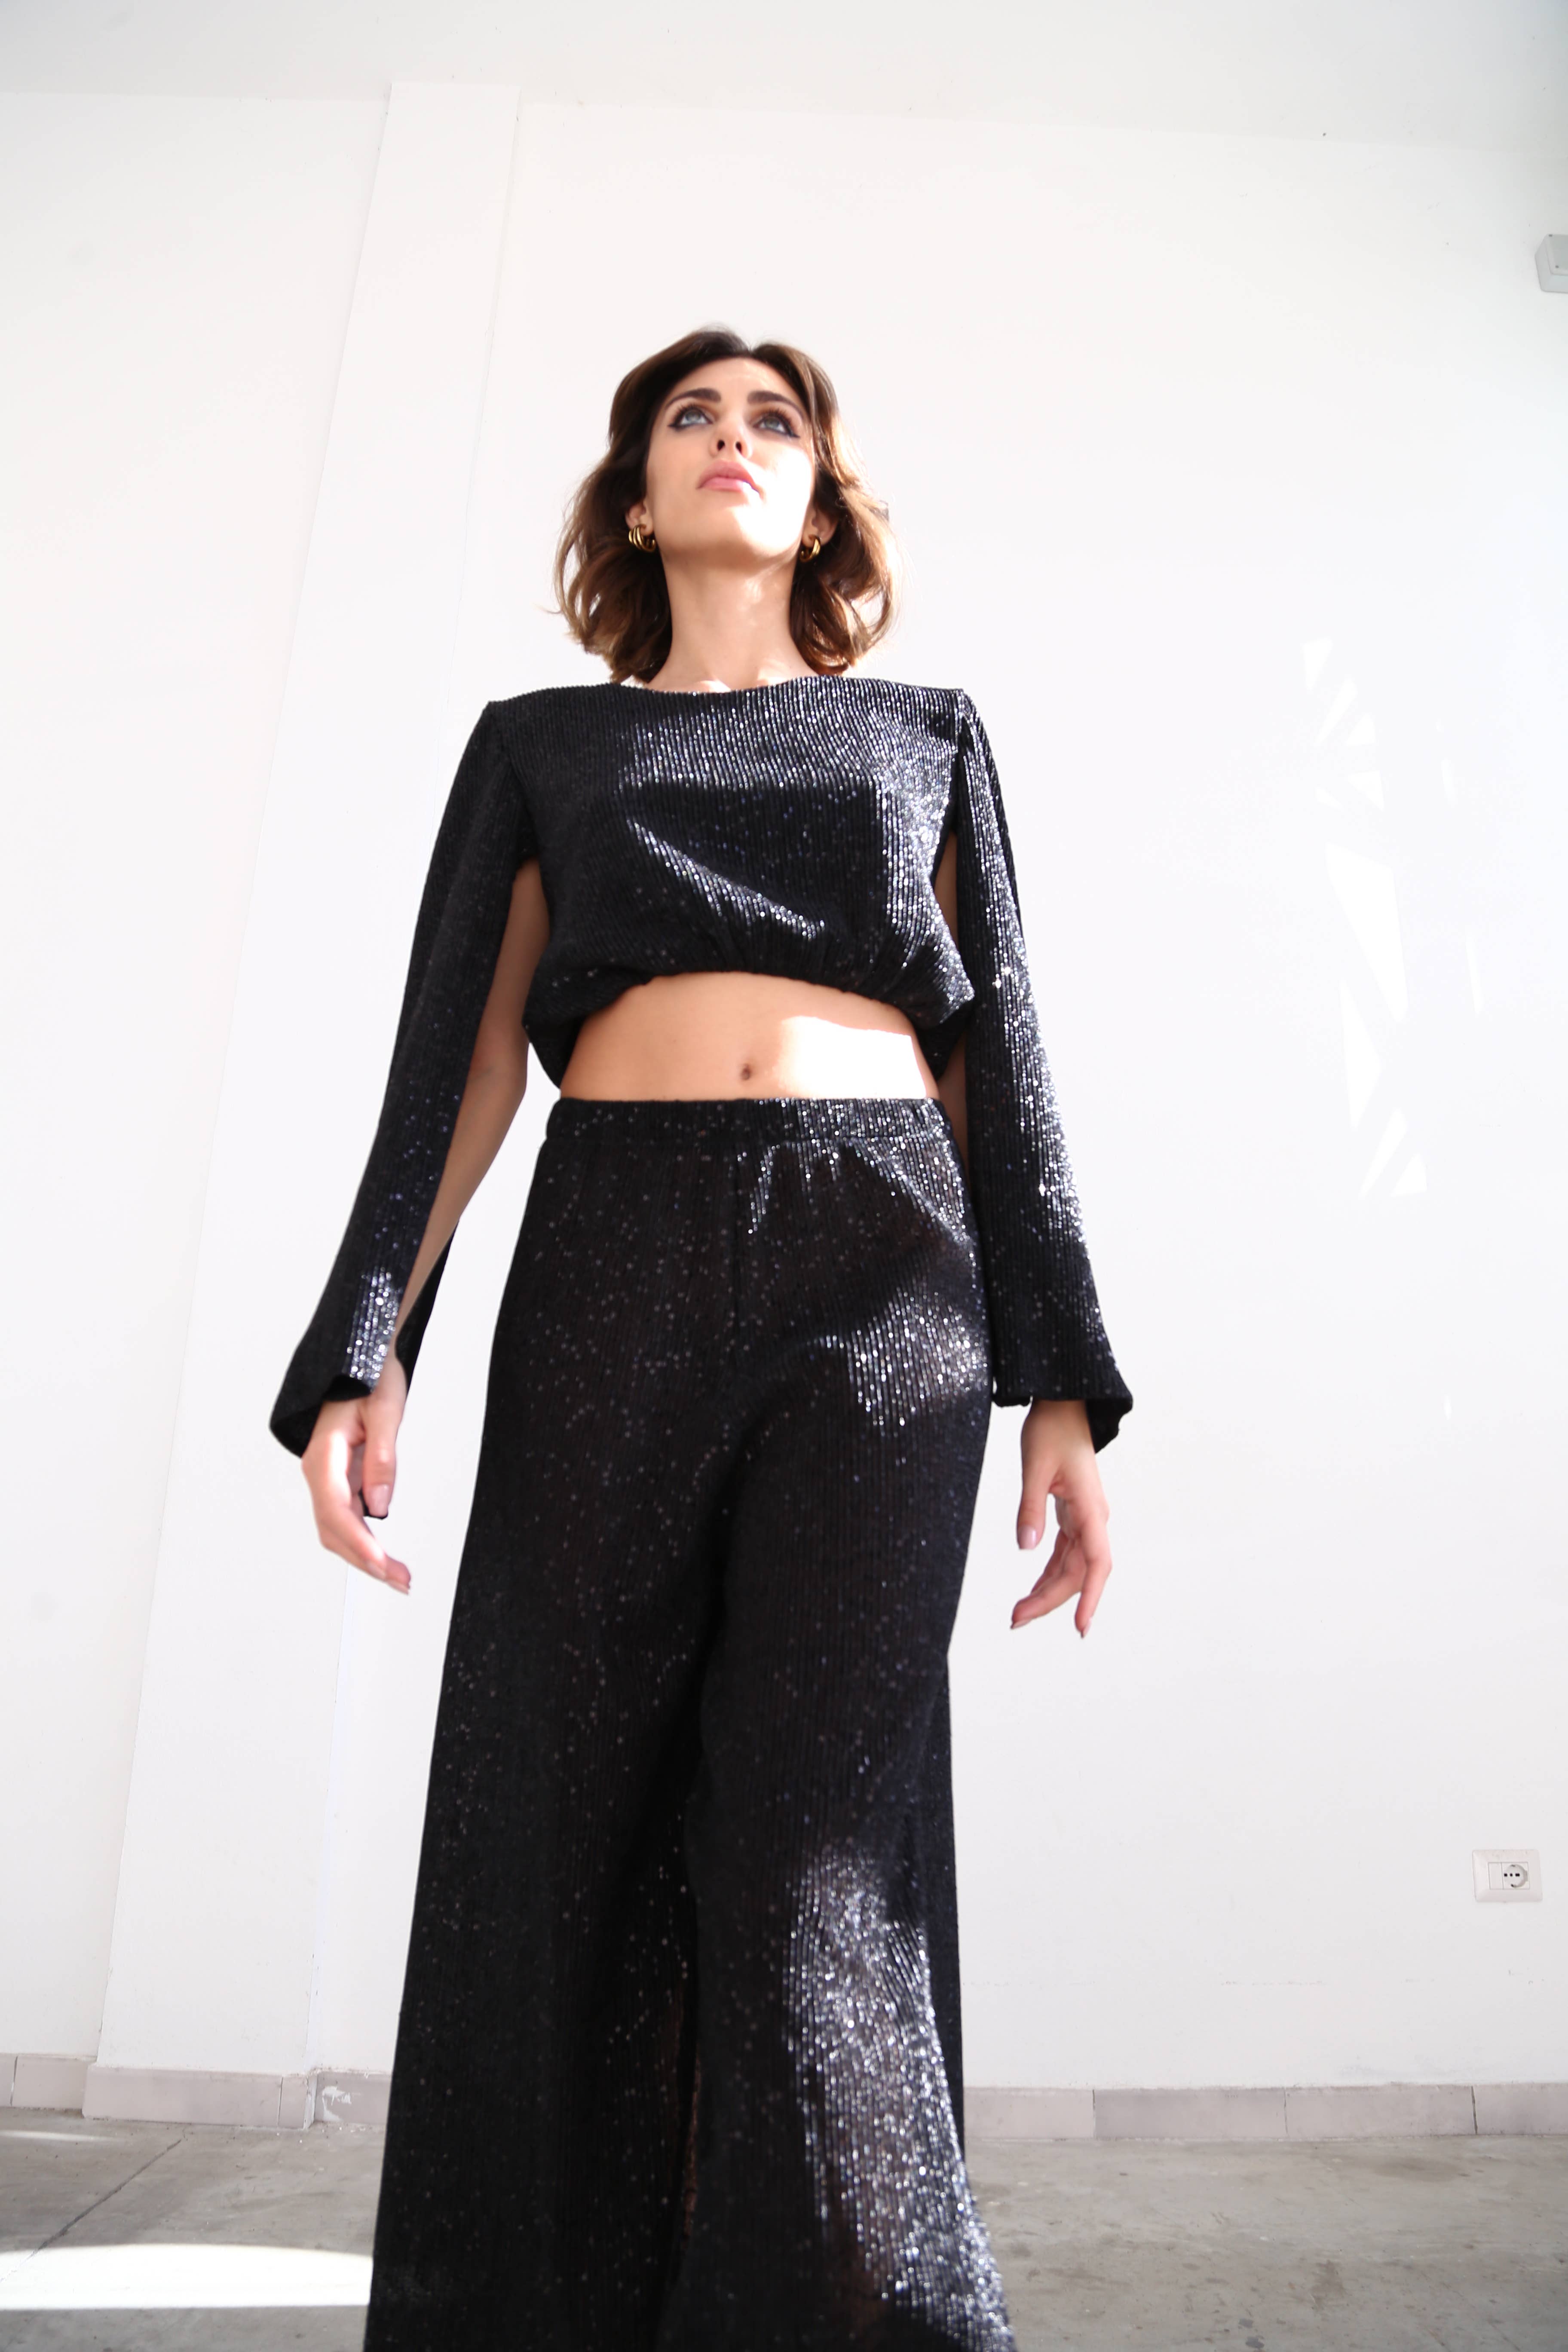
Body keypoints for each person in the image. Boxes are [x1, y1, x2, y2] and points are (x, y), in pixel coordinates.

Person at [271, 326, 1131, 2352]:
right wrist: (369, 1338)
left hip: (885, 1276)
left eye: (774, 422)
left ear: (820, 502)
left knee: (819, 1848)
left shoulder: (924, 734)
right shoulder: (543, 747)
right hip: (615, 1264)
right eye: (692, 419)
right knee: (561, 1805)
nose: (733, 441)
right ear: (638, 501)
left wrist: (1064, 1386)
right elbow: (463, 1063)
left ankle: (866, 2317)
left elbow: (1000, 1062)